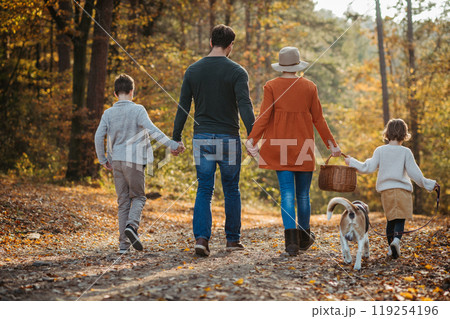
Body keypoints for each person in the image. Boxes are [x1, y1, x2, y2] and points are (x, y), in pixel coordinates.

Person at [246, 47, 341, 256]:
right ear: (298, 66)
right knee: (303, 195)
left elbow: (264, 116)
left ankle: (290, 243)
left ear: (281, 66)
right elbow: (319, 119)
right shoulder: (309, 87)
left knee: (286, 194)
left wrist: (252, 139)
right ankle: (304, 237)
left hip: (280, 148)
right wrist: (331, 144)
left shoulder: (271, 86)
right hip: (304, 147)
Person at [172, 24, 255, 257]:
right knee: (231, 189)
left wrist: (176, 137)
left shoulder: (193, 71)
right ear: (230, 46)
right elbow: (245, 105)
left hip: (203, 137)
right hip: (228, 137)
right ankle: (232, 240)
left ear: (210, 42)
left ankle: (201, 239)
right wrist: (253, 136)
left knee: (204, 189)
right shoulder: (238, 72)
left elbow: (183, 107)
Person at [95, 74, 184, 254]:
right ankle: (132, 226)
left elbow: (98, 136)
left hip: (117, 161)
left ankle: (123, 246)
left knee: (123, 202)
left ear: (115, 93)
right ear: (132, 92)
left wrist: (103, 159)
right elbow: (153, 131)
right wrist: (173, 145)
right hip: (134, 161)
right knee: (139, 197)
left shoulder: (108, 113)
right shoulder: (138, 110)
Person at [344, 118, 438, 259]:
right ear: (404, 134)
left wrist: (351, 162)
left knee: (390, 220)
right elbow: (415, 173)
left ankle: (390, 248)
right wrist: (430, 184)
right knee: (400, 219)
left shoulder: (380, 150)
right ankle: (396, 241)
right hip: (403, 191)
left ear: (387, 133)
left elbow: (367, 167)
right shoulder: (406, 152)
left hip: (386, 191)